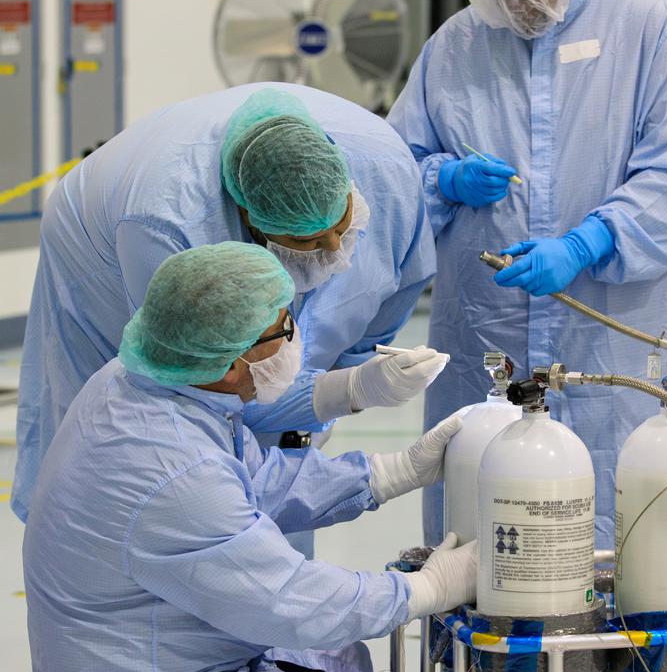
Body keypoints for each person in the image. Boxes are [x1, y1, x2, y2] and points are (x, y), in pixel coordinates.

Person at [24, 243, 476, 672]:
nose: (294, 339)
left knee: (329, 665)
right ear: (232, 361)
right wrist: (423, 590)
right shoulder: (167, 469)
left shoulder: (148, 382)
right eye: (282, 329)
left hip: (151, 649)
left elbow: (256, 485)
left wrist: (394, 471)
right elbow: (289, 599)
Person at [389, 0, 667, 547]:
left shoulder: (649, 25)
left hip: (613, 327)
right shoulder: (457, 44)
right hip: (489, 332)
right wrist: (443, 178)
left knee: (623, 520)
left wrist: (587, 243)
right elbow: (395, 168)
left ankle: (623, 650)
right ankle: (493, 654)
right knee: (485, 528)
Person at [13, 83, 438, 523]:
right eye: (307, 240)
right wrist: (342, 393)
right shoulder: (166, 226)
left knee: (264, 457)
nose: (336, 251)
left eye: (343, 222)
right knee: (152, 436)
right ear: (251, 219)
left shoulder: (386, 168)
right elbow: (206, 380)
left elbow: (399, 285)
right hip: (94, 253)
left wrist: (349, 377)